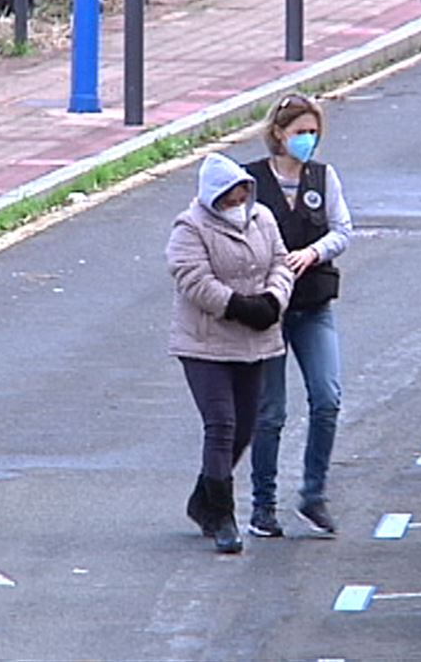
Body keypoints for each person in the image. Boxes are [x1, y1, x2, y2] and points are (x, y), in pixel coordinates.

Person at [166, 152, 294, 554]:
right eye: (229, 199)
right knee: (220, 424)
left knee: (244, 427)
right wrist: (237, 305)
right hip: (206, 341)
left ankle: (203, 498)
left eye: (242, 196)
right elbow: (192, 278)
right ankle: (223, 515)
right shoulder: (190, 228)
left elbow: (281, 263)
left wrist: (273, 300)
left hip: (255, 339)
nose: (237, 205)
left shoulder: (264, 220)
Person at [244, 93, 353, 538]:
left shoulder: (323, 179)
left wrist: (314, 251)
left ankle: (314, 493)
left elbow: (343, 229)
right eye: (299, 133)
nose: (307, 141)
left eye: (313, 133)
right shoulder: (249, 181)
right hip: (269, 310)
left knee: (327, 397)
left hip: (312, 305)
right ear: (278, 134)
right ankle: (262, 505)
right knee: (270, 412)